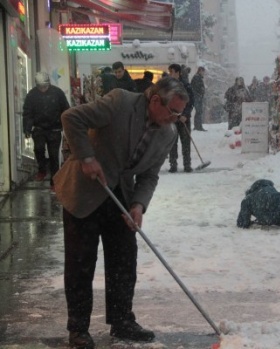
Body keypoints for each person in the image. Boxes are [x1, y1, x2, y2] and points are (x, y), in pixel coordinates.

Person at [53, 77, 189, 349]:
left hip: (120, 198)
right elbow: (71, 118)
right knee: (81, 263)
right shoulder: (120, 102)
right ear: (154, 100)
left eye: (180, 113)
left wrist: (138, 205)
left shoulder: (167, 133)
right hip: (85, 191)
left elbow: (149, 176)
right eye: (172, 112)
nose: (175, 118)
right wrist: (86, 157)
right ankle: (78, 328)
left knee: (124, 261)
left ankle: (122, 320)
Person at [22, 71, 70, 189]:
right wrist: (27, 128)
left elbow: (66, 110)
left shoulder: (57, 93)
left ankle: (54, 182)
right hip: (38, 128)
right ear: (37, 85)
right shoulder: (32, 95)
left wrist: (67, 127)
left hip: (55, 128)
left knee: (54, 156)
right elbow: (27, 113)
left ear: (48, 84)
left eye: (45, 86)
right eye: (41, 87)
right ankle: (42, 170)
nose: (43, 89)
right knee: (38, 149)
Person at [168, 63, 194, 172]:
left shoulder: (186, 86)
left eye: (171, 72)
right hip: (172, 118)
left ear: (177, 73)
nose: (170, 74)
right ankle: (173, 164)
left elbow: (190, 101)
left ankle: (187, 164)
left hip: (183, 118)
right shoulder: (168, 86)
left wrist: (185, 114)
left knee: (185, 142)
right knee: (172, 143)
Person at [191, 66, 206, 131]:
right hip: (197, 97)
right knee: (199, 111)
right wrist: (200, 93)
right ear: (200, 71)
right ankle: (198, 126)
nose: (203, 73)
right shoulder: (197, 78)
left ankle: (197, 126)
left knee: (198, 112)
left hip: (197, 97)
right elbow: (197, 88)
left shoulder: (197, 77)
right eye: (203, 71)